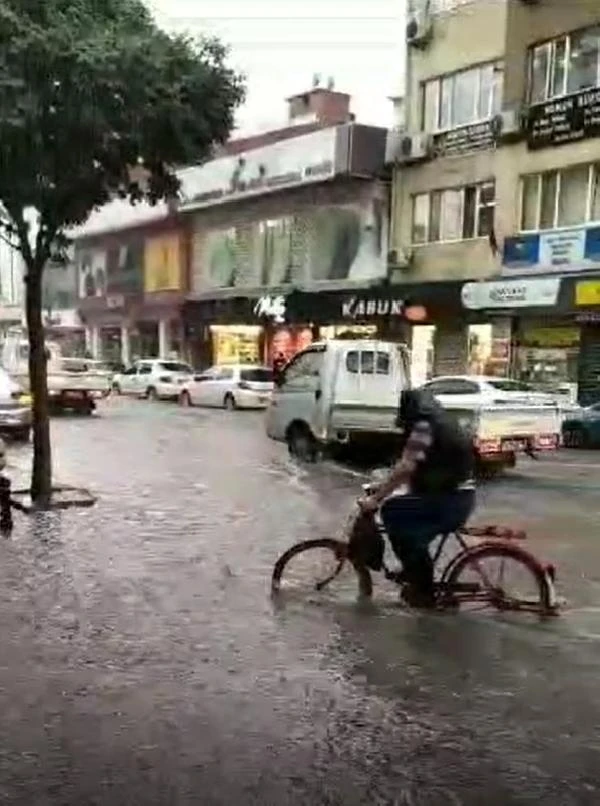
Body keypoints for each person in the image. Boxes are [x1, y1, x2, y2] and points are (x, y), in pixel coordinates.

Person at [358, 388, 476, 607]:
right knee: (405, 514)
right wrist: (382, 487)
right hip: (456, 496)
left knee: (392, 511)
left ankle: (422, 587)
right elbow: (416, 469)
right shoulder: (441, 422)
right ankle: (415, 570)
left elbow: (406, 467)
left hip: (449, 501)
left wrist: (377, 499)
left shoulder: (423, 427)